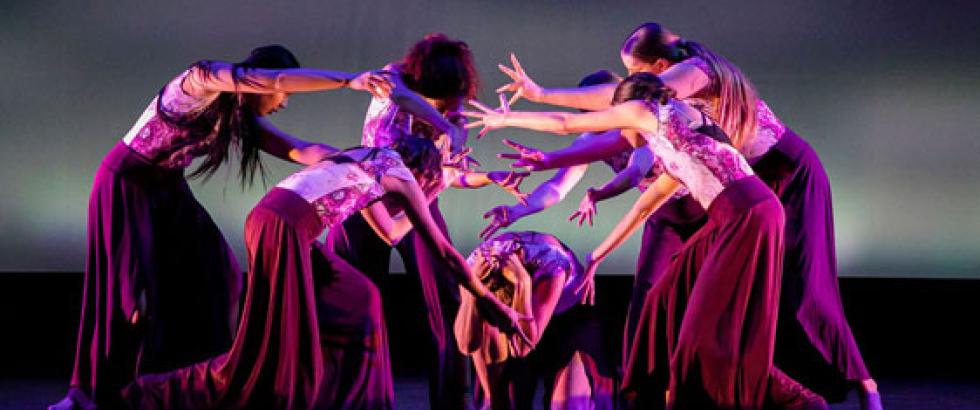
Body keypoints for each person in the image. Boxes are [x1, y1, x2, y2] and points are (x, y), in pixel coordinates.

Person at [495, 22, 880, 409]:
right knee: (660, 294)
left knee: (805, 295)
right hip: (725, 198)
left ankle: (855, 389)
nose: (628, 79)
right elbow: (635, 184)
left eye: (634, 71)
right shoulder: (666, 128)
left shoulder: (695, 75)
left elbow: (592, 125)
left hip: (776, 182)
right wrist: (549, 167)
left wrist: (537, 96)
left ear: (660, 65)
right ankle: (652, 392)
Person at [51, 45, 392, 410]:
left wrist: (365, 159)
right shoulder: (200, 81)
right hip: (127, 186)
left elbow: (300, 149)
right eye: (286, 94)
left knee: (222, 273)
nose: (284, 103)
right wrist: (348, 81)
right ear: (263, 84)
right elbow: (271, 79)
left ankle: (189, 375)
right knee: (131, 300)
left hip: (168, 190)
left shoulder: (239, 117)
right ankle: (89, 395)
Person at [123, 136, 530, 409]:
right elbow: (441, 249)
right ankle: (147, 394)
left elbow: (318, 163)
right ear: (422, 173)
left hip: (270, 220)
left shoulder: (365, 154)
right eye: (431, 181)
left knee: (361, 299)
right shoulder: (403, 177)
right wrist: (484, 298)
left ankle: (354, 396)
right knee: (265, 354)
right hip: (284, 229)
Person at [328, 33, 526, 409]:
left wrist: (488, 177)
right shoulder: (395, 79)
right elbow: (401, 98)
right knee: (359, 302)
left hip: (418, 199)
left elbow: (451, 174)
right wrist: (443, 125)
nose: (446, 109)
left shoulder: (453, 112)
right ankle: (358, 398)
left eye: (449, 103)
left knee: (446, 297)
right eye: (439, 101)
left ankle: (450, 399)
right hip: (366, 199)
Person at [456, 231, 615, 410]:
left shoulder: (552, 267)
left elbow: (523, 347)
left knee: (569, 405)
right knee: (496, 399)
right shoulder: (475, 267)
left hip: (568, 314)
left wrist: (522, 284)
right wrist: (472, 293)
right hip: (514, 305)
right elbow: (466, 345)